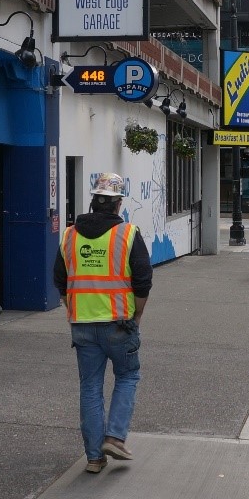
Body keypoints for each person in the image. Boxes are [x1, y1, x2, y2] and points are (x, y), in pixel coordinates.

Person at [53, 172, 153, 474]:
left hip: (82, 325)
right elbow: (143, 281)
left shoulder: (69, 235)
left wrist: (74, 309)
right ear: (118, 204)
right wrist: (137, 315)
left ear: (93, 201)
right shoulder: (128, 233)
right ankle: (115, 438)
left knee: (90, 388)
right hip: (120, 323)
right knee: (128, 376)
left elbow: (60, 280)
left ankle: (95, 457)